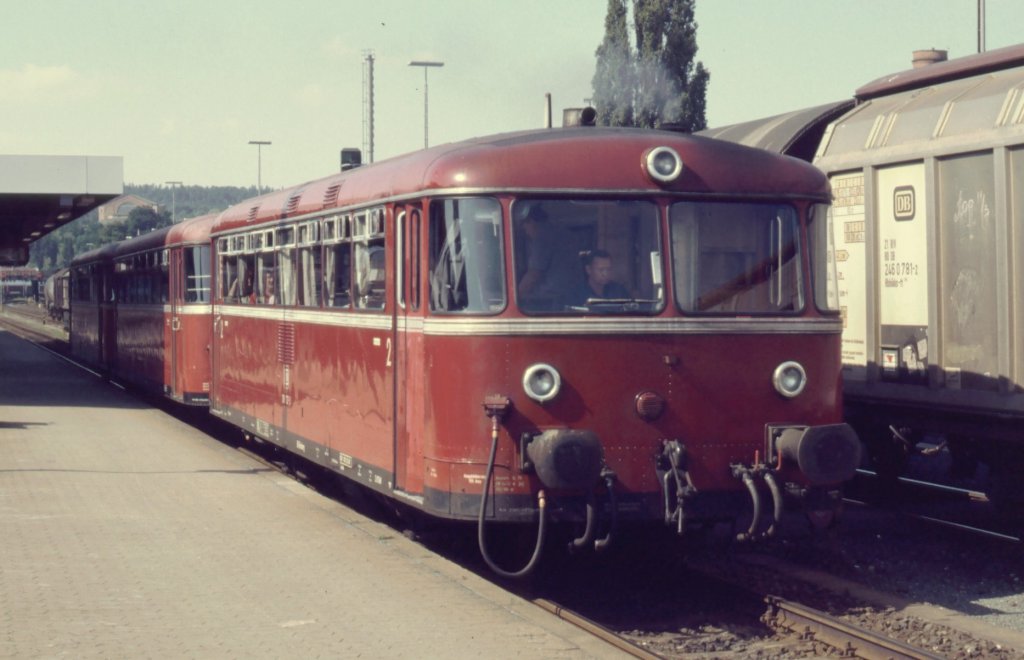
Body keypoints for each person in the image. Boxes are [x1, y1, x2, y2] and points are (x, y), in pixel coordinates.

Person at [516, 205, 577, 308]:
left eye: (525, 227)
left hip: (552, 299)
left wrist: (516, 296)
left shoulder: (542, 236)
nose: (526, 232)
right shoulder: (563, 233)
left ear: (531, 222)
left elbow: (534, 275)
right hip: (573, 294)